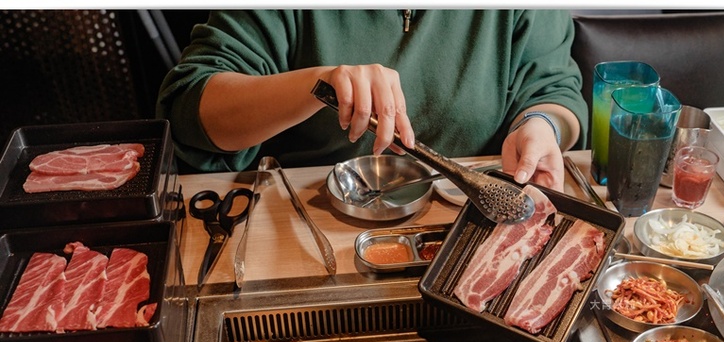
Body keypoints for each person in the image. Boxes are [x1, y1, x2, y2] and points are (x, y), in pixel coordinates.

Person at [157, 9, 587, 191]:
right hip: (308, 217)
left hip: (467, 224)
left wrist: (542, 125)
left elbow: (554, 90)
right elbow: (191, 105)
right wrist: (319, 82)